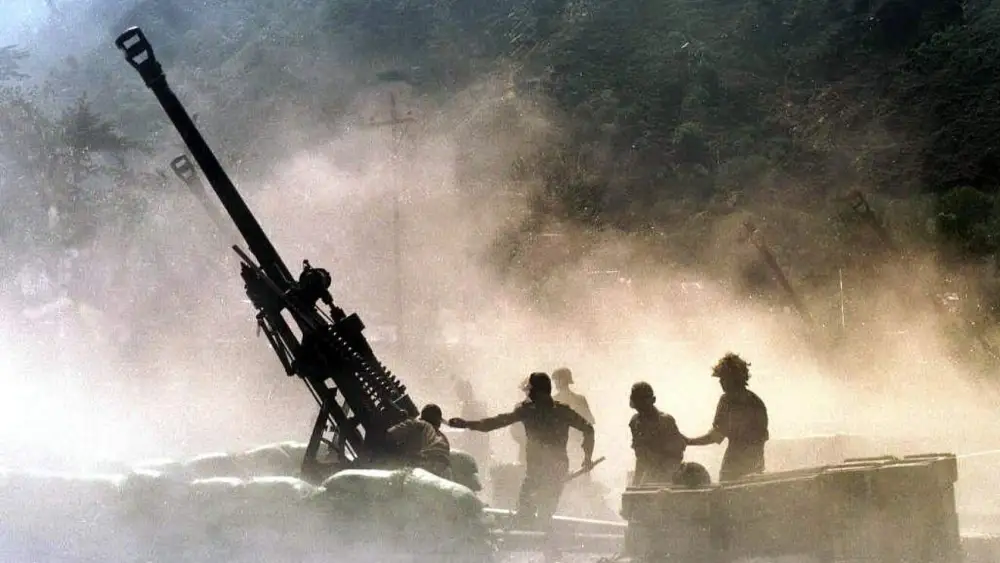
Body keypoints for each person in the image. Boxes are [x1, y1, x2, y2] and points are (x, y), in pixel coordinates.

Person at [448, 372, 595, 527]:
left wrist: (466, 424)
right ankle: (546, 540)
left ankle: (543, 539)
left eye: (530, 390)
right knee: (540, 515)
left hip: (540, 471)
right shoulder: (561, 410)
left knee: (530, 515)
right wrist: (587, 457)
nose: (528, 393)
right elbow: (588, 429)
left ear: (538, 391)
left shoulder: (528, 410)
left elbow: (494, 423)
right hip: (553, 470)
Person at [686, 353, 769, 482]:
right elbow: (761, 438)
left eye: (723, 378)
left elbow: (716, 436)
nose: (720, 382)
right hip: (756, 466)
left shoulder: (727, 400)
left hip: (733, 468)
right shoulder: (757, 402)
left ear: (733, 378)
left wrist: (688, 441)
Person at [628, 381, 687, 486]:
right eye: (638, 406)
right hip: (650, 475)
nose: (641, 412)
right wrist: (635, 485)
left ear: (652, 400)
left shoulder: (665, 421)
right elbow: (640, 457)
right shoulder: (635, 422)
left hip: (669, 476)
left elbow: (677, 454)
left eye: (643, 405)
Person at [386, 404, 453, 479]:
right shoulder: (443, 438)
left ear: (422, 417)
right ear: (439, 423)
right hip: (446, 474)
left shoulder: (417, 424)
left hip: (426, 470)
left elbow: (390, 434)